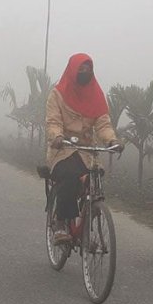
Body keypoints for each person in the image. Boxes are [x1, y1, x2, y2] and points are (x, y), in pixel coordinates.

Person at [46, 53, 122, 245]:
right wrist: (57, 137)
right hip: (63, 149)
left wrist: (112, 140)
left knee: (94, 179)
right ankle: (62, 222)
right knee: (70, 176)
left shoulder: (95, 94)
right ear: (72, 70)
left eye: (88, 69)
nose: (85, 73)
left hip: (86, 152)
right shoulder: (58, 94)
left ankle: (88, 220)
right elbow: (53, 121)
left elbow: (103, 124)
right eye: (81, 69)